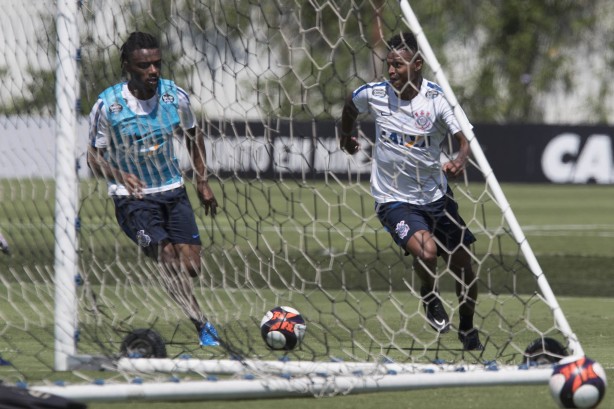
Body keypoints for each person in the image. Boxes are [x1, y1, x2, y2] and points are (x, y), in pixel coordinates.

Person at [339, 31, 483, 351]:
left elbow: (463, 139)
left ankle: (468, 328)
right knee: (427, 251)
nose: (391, 72)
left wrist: (460, 159)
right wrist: (345, 135)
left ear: (417, 64)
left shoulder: (437, 99)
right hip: (393, 199)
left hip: (436, 197)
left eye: (399, 65)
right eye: (389, 65)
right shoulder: (375, 93)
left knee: (464, 267)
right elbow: (350, 104)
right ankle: (429, 295)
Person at [87, 32, 220, 347]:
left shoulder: (175, 96)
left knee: (191, 266)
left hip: (173, 191)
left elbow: (193, 135)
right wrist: (119, 174)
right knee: (168, 257)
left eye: (157, 64)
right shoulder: (108, 105)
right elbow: (92, 157)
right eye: (144, 65)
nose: (153, 71)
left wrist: (201, 181)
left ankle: (191, 307)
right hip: (132, 198)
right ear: (128, 67)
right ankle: (202, 324)